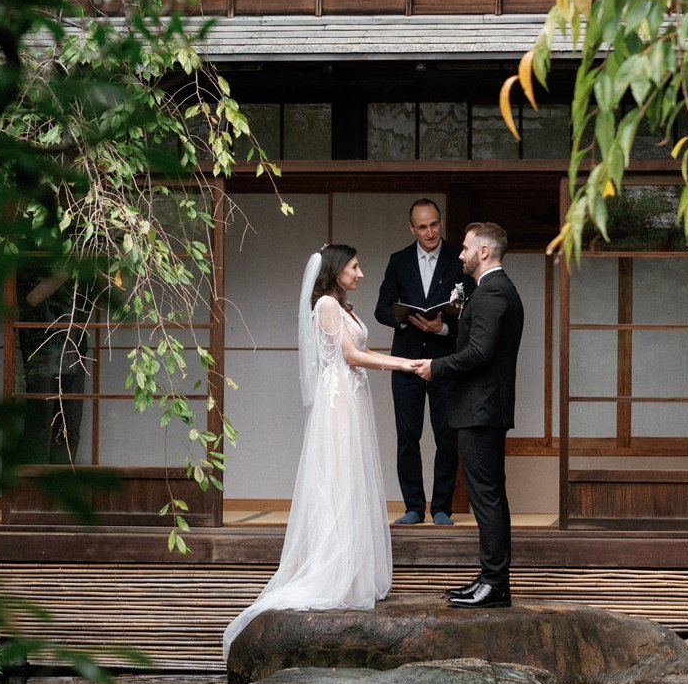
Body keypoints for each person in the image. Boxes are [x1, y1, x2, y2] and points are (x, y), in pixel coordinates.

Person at [221, 243, 417, 659]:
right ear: (335, 271)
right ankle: (335, 571)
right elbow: (348, 355)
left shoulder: (342, 305)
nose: (361, 273)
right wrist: (402, 363)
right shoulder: (327, 304)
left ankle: (351, 573)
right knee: (339, 478)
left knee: (352, 479)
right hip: (339, 400)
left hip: (351, 395)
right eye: (354, 267)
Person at [410, 222, 524, 609]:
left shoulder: (494, 292)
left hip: (481, 409)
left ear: (484, 252)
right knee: (488, 497)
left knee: (486, 499)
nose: (459, 254)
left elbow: (480, 353)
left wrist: (435, 368)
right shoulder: (490, 290)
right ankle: (490, 579)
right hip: (481, 408)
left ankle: (495, 585)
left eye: (465, 248)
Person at [373, 198, 466, 526]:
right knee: (407, 434)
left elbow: (470, 311)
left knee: (446, 435)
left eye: (435, 224)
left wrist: (442, 327)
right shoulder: (398, 261)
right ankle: (413, 506)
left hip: (445, 359)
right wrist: (405, 318)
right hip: (407, 360)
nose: (430, 232)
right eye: (423, 226)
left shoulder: (459, 259)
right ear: (412, 228)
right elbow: (381, 308)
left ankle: (441, 507)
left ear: (441, 223)